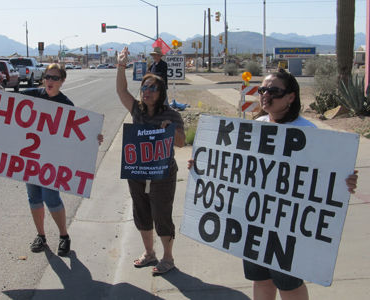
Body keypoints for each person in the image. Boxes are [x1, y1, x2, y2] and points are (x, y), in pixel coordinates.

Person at [187, 69, 359, 300]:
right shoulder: (257, 124)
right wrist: (205, 165)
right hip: (254, 222)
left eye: (274, 91)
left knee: (289, 284)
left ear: (291, 97)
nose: (266, 95)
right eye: (263, 89)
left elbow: (324, 176)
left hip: (287, 228)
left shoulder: (307, 131)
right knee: (261, 280)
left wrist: (343, 182)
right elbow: (239, 168)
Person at [20, 63, 103, 257]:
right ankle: (41, 235)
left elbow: (77, 134)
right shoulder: (32, 94)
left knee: (51, 197)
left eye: (55, 78)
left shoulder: (66, 104)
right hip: (30, 157)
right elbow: (5, 101)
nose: (50, 81)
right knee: (34, 197)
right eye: (48, 77)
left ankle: (64, 236)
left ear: (62, 81)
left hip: (52, 159)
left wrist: (93, 139)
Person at [116, 47, 186, 275]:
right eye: (144, 87)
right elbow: (122, 91)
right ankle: (149, 253)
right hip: (137, 171)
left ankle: (168, 257)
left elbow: (182, 143)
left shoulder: (171, 114)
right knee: (141, 212)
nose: (147, 91)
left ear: (161, 92)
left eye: (152, 88)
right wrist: (120, 66)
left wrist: (171, 130)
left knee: (162, 214)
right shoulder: (137, 110)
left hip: (163, 174)